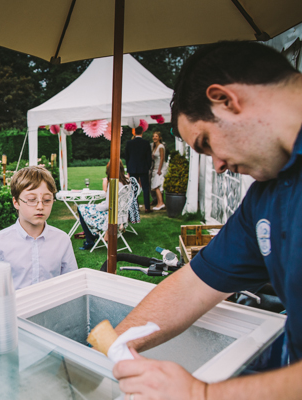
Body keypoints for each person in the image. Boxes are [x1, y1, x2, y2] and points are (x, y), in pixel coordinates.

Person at [111, 41, 302, 400]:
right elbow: (194, 285)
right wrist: (110, 348)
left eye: (206, 143)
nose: (216, 165)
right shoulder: (267, 191)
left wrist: (200, 394)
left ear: (225, 100)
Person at [0, 166, 77, 289]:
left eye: (47, 200)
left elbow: (71, 282)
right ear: (16, 202)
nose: (40, 206)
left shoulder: (62, 240)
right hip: (17, 307)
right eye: (31, 199)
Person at [76, 161, 130, 250]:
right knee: (87, 207)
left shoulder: (114, 183)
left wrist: (96, 206)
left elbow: (107, 207)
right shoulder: (127, 181)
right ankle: (92, 236)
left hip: (111, 217)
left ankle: (90, 240)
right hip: (121, 214)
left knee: (81, 207)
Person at [125, 126, 152, 212]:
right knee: (145, 187)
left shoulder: (129, 143)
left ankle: (135, 207)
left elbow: (126, 157)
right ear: (142, 132)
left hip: (132, 167)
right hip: (143, 167)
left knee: (134, 188)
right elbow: (149, 157)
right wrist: (148, 166)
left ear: (134, 132)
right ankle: (147, 207)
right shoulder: (146, 143)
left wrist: (129, 168)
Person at [150, 131, 168, 211]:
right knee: (155, 186)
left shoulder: (161, 146)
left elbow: (162, 159)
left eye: (156, 136)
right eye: (153, 136)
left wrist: (159, 169)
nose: (154, 137)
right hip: (155, 168)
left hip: (159, 169)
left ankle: (161, 203)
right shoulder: (155, 146)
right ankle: (159, 202)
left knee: (156, 185)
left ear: (159, 138)